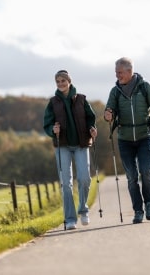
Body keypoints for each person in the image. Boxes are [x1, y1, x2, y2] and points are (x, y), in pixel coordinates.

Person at [104, 57, 150, 224]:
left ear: (130, 72)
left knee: (145, 171)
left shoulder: (144, 87)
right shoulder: (115, 91)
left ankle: (149, 204)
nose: (117, 76)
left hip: (145, 136)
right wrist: (108, 115)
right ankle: (138, 211)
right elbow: (110, 110)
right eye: (116, 73)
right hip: (125, 139)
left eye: (120, 73)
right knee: (131, 176)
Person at [43, 70, 98, 230]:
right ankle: (70, 219)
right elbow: (47, 124)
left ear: (69, 81)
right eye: (58, 81)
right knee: (66, 184)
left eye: (63, 80)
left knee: (84, 178)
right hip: (62, 145)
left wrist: (92, 128)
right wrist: (53, 129)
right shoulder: (52, 103)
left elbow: (90, 118)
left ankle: (83, 209)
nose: (60, 84)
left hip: (81, 143)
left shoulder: (81, 99)